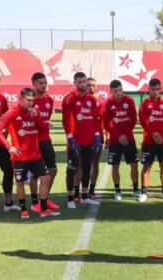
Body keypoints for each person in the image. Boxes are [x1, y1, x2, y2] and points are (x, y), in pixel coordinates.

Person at [0, 88, 60, 219]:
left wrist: (38, 117)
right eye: (28, 100)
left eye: (33, 100)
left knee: (46, 179)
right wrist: (9, 147)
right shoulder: (12, 113)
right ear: (21, 99)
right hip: (20, 156)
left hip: (36, 154)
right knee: (20, 183)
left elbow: (43, 129)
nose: (31, 103)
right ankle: (23, 210)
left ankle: (42, 209)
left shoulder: (35, 112)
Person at [62, 72, 101, 208]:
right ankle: (70, 198)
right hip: (75, 140)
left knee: (87, 167)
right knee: (72, 169)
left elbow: (95, 119)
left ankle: (85, 196)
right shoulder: (69, 98)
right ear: (75, 83)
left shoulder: (91, 99)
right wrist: (70, 138)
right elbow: (66, 120)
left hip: (89, 140)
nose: (83, 84)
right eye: (79, 82)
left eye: (84, 81)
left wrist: (96, 135)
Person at [103, 80, 139, 201]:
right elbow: (107, 124)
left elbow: (133, 119)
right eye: (115, 91)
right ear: (111, 91)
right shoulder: (108, 104)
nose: (118, 93)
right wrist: (118, 136)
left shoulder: (129, 100)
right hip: (115, 140)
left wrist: (126, 134)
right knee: (115, 165)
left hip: (129, 139)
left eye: (120, 90)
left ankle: (135, 189)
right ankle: (117, 191)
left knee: (134, 164)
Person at [138, 78, 163, 202]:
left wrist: (160, 133)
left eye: (158, 89)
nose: (156, 92)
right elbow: (143, 120)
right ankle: (144, 192)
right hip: (148, 141)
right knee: (147, 166)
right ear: (149, 90)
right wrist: (153, 133)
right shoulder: (144, 104)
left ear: (161, 89)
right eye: (153, 89)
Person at [29, 72, 59, 213]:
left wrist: (46, 123)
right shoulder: (29, 100)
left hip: (46, 140)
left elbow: (45, 119)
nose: (43, 85)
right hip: (33, 141)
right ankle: (35, 202)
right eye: (40, 83)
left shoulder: (49, 100)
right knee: (36, 174)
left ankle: (45, 198)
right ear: (34, 84)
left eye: (45, 82)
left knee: (53, 170)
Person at [0, 73, 20, 212]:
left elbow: (8, 120)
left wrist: (6, 137)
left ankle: (8, 203)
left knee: (8, 169)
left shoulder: (2, 99)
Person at [72, 78, 105, 200]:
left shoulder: (101, 101)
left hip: (97, 137)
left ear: (97, 87)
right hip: (81, 137)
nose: (90, 87)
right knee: (79, 164)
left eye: (93, 85)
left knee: (94, 163)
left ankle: (91, 190)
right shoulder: (78, 99)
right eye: (89, 84)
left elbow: (102, 119)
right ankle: (76, 191)